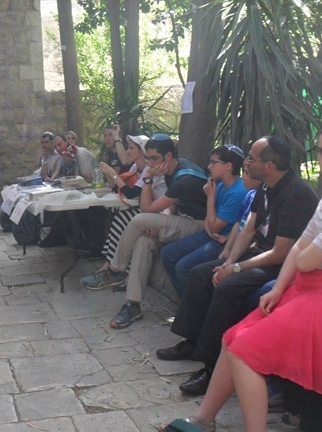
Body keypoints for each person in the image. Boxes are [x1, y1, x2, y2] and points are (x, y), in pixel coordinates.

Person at [162, 119, 322, 432]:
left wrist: (299, 254)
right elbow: (298, 251)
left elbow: (304, 258)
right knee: (232, 339)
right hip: (308, 289)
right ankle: (204, 419)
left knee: (244, 351)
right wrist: (279, 289)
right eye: (321, 151)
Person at [156, 135, 318, 396]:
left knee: (228, 286)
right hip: (259, 255)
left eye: (252, 158)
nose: (246, 162)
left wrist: (237, 269)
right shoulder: (265, 187)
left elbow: (281, 252)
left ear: (269, 165)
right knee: (201, 273)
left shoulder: (295, 194)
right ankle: (193, 341)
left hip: (282, 265)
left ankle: (212, 368)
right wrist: (229, 261)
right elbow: (248, 229)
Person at [79, 135, 208, 328]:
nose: (149, 163)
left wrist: (147, 178)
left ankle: (115, 269)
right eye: (147, 158)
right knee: (143, 242)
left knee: (139, 219)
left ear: (168, 156)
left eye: (154, 158)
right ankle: (133, 305)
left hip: (199, 226)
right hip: (181, 221)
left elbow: (146, 209)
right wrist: (159, 222)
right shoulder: (171, 169)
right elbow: (172, 205)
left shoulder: (185, 177)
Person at [160, 144, 248, 297]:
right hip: (214, 236)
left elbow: (213, 226)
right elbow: (209, 222)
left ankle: (196, 305)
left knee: (183, 267)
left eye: (214, 162)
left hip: (225, 242)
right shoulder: (219, 185)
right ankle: (185, 302)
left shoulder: (237, 192)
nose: (209, 167)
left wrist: (210, 197)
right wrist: (211, 230)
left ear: (228, 166)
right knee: (168, 253)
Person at [81, 135, 168, 289]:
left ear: (142, 151)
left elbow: (131, 192)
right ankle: (109, 267)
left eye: (132, 148)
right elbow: (120, 189)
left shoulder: (149, 169)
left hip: (160, 213)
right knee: (121, 218)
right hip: (148, 210)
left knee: (124, 220)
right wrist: (110, 175)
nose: (128, 151)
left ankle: (117, 272)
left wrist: (112, 173)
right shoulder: (136, 168)